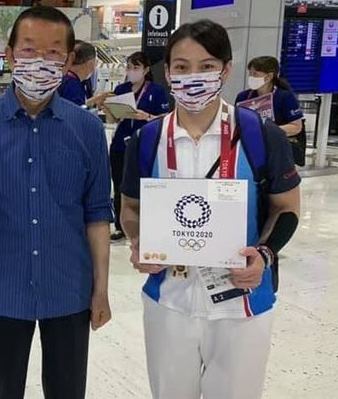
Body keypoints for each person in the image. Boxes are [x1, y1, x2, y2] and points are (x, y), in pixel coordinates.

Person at [120, 20, 301, 399]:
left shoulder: (260, 135)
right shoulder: (147, 140)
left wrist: (264, 256)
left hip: (242, 303)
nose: (193, 77)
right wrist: (140, 243)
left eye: (206, 66)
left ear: (226, 69)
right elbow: (130, 208)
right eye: (182, 67)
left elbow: (287, 208)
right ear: (167, 72)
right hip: (169, 300)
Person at [0, 5, 113, 399]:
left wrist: (102, 289)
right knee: (0, 390)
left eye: (54, 52)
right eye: (29, 49)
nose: (41, 61)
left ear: (70, 60)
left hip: (69, 288)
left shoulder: (87, 128)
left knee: (67, 390)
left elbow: (96, 215)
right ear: (9, 54)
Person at [107, 52, 170, 241]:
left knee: (146, 184)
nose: (131, 71)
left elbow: (165, 115)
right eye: (129, 67)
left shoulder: (156, 91)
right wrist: (110, 110)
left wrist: (147, 117)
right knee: (119, 184)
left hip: (146, 143)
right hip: (121, 142)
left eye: (136, 68)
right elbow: (112, 118)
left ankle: (147, 223)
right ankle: (120, 226)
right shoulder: (121, 89)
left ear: (146, 70)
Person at [237, 56, 306, 165]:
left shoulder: (284, 97)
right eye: (250, 73)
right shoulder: (243, 97)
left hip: (277, 150)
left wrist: (265, 131)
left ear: (268, 77)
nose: (251, 77)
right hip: (249, 149)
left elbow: (296, 127)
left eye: (255, 74)